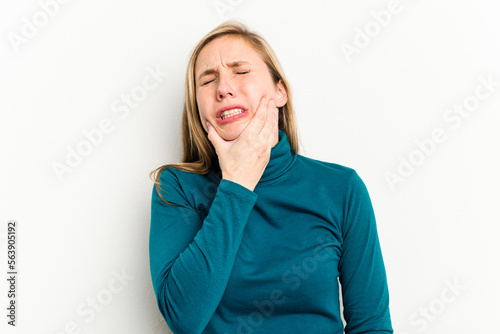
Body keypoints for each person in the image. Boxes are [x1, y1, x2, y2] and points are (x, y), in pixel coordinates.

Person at [149, 20, 393, 334]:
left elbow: (371, 324)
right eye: (207, 80)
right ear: (198, 106)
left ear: (280, 91)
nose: (224, 88)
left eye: (240, 71)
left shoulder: (341, 188)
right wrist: (237, 182)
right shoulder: (177, 188)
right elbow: (184, 318)